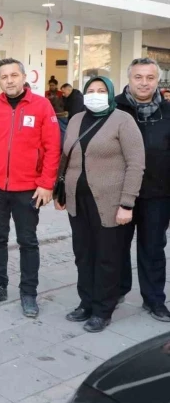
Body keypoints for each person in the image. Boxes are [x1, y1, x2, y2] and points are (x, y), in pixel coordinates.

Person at [0, 58, 60, 318]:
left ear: (23, 77)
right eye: (4, 77)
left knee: (27, 241)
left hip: (28, 189)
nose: (9, 80)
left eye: (14, 75)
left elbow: (53, 148)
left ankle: (28, 292)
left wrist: (46, 184)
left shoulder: (42, 106)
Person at [56, 77, 144, 333]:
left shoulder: (123, 121)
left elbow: (136, 164)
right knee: (83, 254)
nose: (95, 95)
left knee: (107, 257)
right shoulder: (75, 120)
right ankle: (86, 303)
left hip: (109, 202)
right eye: (90, 91)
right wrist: (61, 194)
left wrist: (127, 203)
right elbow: (66, 157)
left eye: (101, 91)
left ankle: (103, 309)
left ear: (110, 94)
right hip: (77, 200)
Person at [116, 58, 170, 323]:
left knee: (153, 249)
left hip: (158, 195)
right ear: (129, 78)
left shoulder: (169, 112)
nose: (144, 83)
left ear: (156, 80)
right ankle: (116, 292)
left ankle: (154, 300)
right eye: (138, 77)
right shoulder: (114, 108)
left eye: (150, 77)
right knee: (116, 248)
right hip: (119, 193)